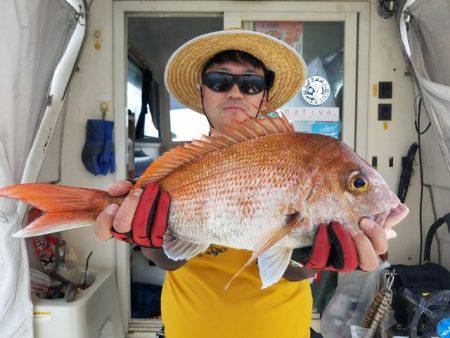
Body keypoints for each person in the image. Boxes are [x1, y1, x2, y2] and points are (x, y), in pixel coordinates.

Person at [95, 30, 389, 338]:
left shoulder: (300, 157)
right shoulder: (178, 168)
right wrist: (147, 240)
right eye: (219, 81)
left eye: (251, 83)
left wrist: (310, 259)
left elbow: (292, 270)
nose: (235, 92)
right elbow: (171, 259)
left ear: (265, 95)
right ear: (202, 91)